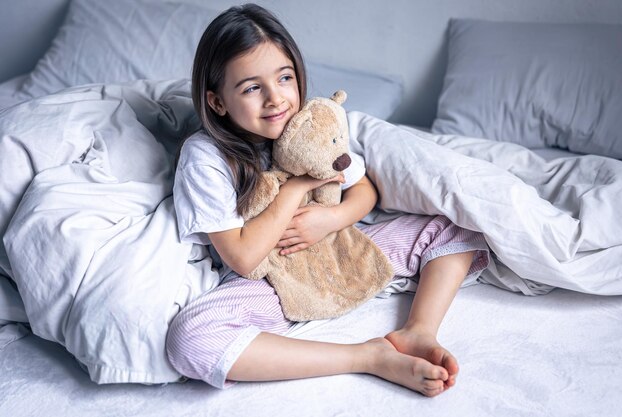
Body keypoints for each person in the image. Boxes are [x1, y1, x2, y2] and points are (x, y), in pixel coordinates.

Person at [166, 3, 489, 397]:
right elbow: (243, 257)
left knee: (456, 220)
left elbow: (364, 189)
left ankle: (418, 331)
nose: (275, 99)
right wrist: (296, 187)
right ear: (217, 101)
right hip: (271, 278)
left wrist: (332, 219)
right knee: (191, 338)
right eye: (252, 87)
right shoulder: (206, 157)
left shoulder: (309, 125)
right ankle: (369, 357)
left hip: (337, 249)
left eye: (285, 78)